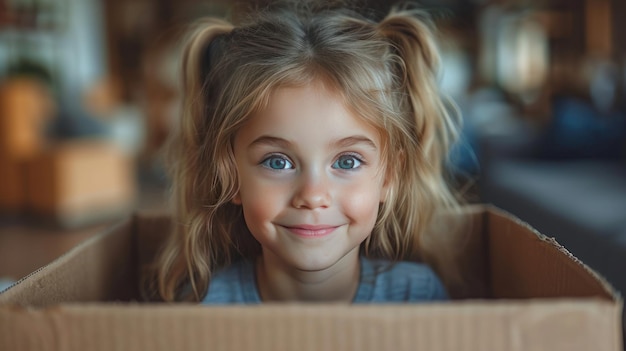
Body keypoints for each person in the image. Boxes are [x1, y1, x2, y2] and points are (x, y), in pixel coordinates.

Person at [151, 0, 464, 304]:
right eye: (277, 161)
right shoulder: (204, 308)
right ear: (230, 172)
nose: (313, 195)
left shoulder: (417, 297)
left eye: (348, 161)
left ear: (389, 177)